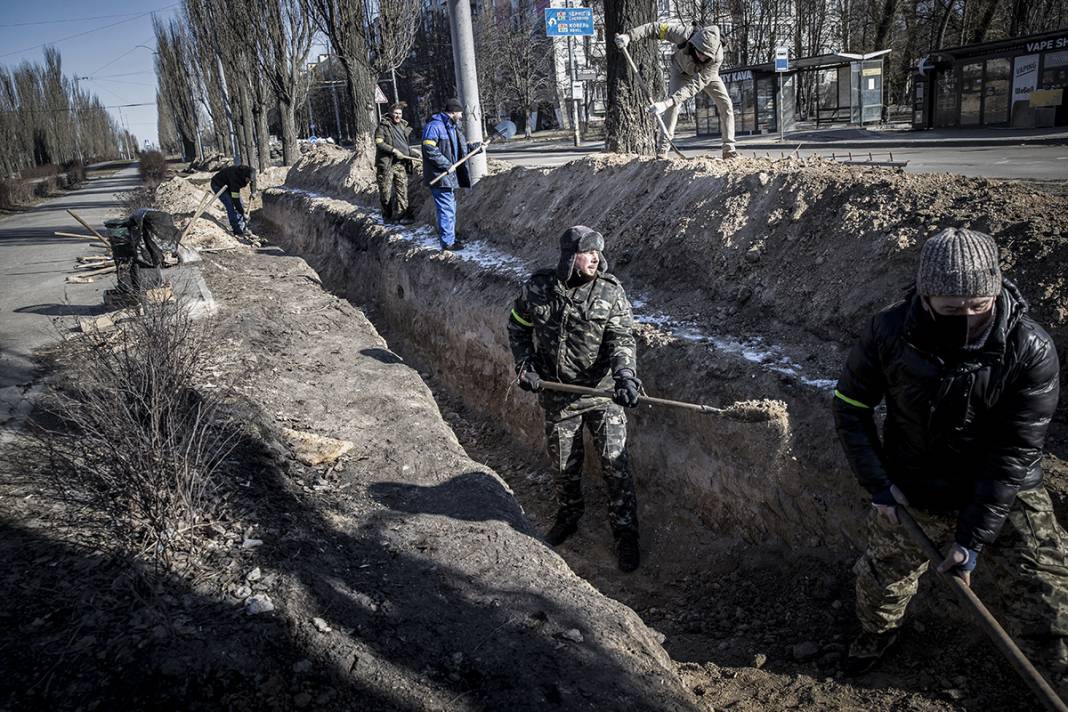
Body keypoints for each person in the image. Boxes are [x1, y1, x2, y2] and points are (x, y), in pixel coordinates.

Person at [832, 227, 1067, 692]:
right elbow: (851, 407)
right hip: (914, 480)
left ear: (996, 291)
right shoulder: (890, 330)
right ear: (925, 297)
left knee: (1048, 592)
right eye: (951, 308)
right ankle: (878, 634)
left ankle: (1057, 671)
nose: (967, 318)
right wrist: (879, 485)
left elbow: (1016, 449)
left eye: (979, 306)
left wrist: (973, 536)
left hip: (1006, 487)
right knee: (881, 581)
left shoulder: (1030, 348)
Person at [507, 226, 643, 572]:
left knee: (616, 464)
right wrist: (525, 368)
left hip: (603, 394)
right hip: (558, 395)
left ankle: (626, 533)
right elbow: (518, 326)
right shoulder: (538, 288)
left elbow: (621, 338)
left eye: (598, 252)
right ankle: (569, 516)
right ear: (570, 257)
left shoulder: (610, 293)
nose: (596, 258)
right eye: (588, 252)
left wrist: (626, 376)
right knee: (564, 466)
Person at [614, 23, 737, 159]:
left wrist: (666, 103)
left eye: (706, 56)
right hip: (681, 71)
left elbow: (695, 86)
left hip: (705, 75)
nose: (702, 57)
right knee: (673, 108)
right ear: (694, 45)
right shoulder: (684, 34)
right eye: (701, 53)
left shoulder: (717, 57)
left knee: (726, 104)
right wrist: (629, 36)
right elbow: (655, 28)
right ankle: (662, 150)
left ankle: (729, 149)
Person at [421, 98, 482, 251]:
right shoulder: (435, 126)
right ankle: (448, 242)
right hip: (440, 177)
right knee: (446, 209)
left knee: (450, 208)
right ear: (453, 111)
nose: (461, 115)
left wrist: (478, 147)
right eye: (460, 112)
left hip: (450, 176)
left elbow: (461, 150)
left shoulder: (452, 127)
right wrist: (446, 164)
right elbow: (429, 150)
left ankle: (450, 237)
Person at [374, 101, 417, 223]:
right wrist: (393, 150)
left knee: (402, 191)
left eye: (400, 113)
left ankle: (402, 216)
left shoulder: (403, 126)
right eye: (395, 113)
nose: (398, 116)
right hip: (387, 165)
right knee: (385, 193)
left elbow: (403, 144)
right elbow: (379, 143)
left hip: (400, 164)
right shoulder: (383, 127)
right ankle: (387, 216)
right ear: (390, 114)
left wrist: (411, 152)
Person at [210, 164, 256, 237]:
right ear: (245, 177)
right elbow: (236, 200)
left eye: (250, 180)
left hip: (228, 184)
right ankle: (236, 230)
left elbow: (253, 181)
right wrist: (243, 213)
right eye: (248, 180)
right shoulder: (235, 178)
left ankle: (241, 227)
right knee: (230, 205)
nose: (249, 182)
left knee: (241, 203)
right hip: (218, 185)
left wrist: (253, 192)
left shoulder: (250, 172)